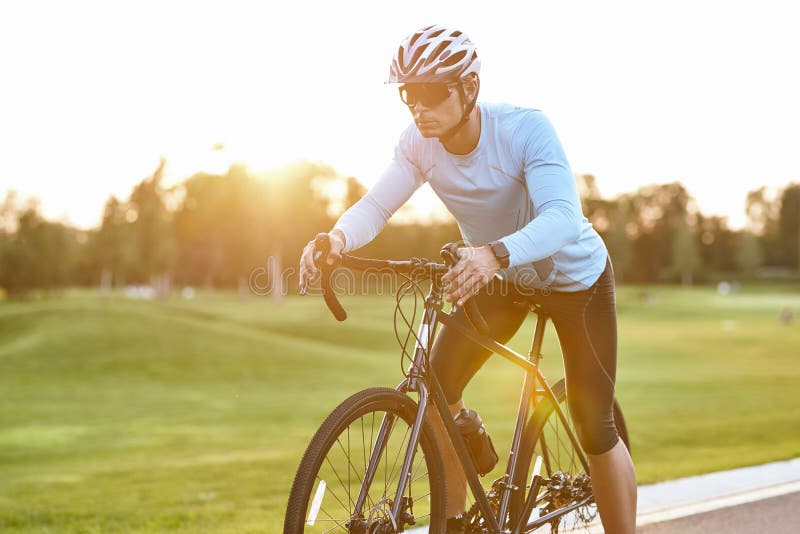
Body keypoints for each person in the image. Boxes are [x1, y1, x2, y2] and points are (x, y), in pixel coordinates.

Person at [299, 24, 637, 534]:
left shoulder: (525, 130)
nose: (419, 106)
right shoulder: (418, 145)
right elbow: (376, 205)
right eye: (410, 94)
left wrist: (494, 254)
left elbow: (563, 216)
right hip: (501, 277)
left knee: (595, 426)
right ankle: (454, 522)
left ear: (470, 88)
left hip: (574, 281)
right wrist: (338, 239)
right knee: (438, 390)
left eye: (433, 92)